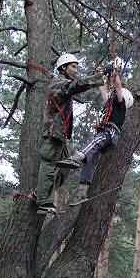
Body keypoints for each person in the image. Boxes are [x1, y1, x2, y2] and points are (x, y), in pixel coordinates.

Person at [35, 53, 104, 215]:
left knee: (65, 167)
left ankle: (42, 190)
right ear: (63, 68)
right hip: (53, 134)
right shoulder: (58, 83)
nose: (76, 69)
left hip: (61, 136)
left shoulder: (63, 82)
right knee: (50, 164)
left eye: (77, 66)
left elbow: (74, 85)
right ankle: (43, 201)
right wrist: (99, 77)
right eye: (73, 66)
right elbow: (75, 86)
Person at [55, 65, 133, 206]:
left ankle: (76, 157)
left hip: (109, 134)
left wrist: (114, 74)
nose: (113, 94)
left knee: (94, 142)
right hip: (105, 134)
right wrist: (101, 76)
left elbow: (118, 87)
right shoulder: (110, 104)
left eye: (115, 94)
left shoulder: (121, 105)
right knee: (89, 160)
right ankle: (82, 192)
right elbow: (103, 90)